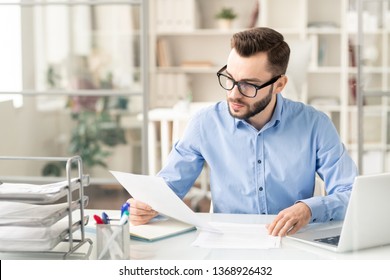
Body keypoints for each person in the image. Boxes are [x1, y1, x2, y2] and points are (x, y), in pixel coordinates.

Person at [129, 27, 358, 236]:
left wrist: (308, 209)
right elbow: (166, 191)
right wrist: (145, 207)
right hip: (227, 243)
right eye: (229, 78)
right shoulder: (205, 123)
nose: (233, 94)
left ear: (279, 85)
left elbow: (352, 194)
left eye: (248, 84)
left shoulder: (315, 125)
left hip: (294, 242)